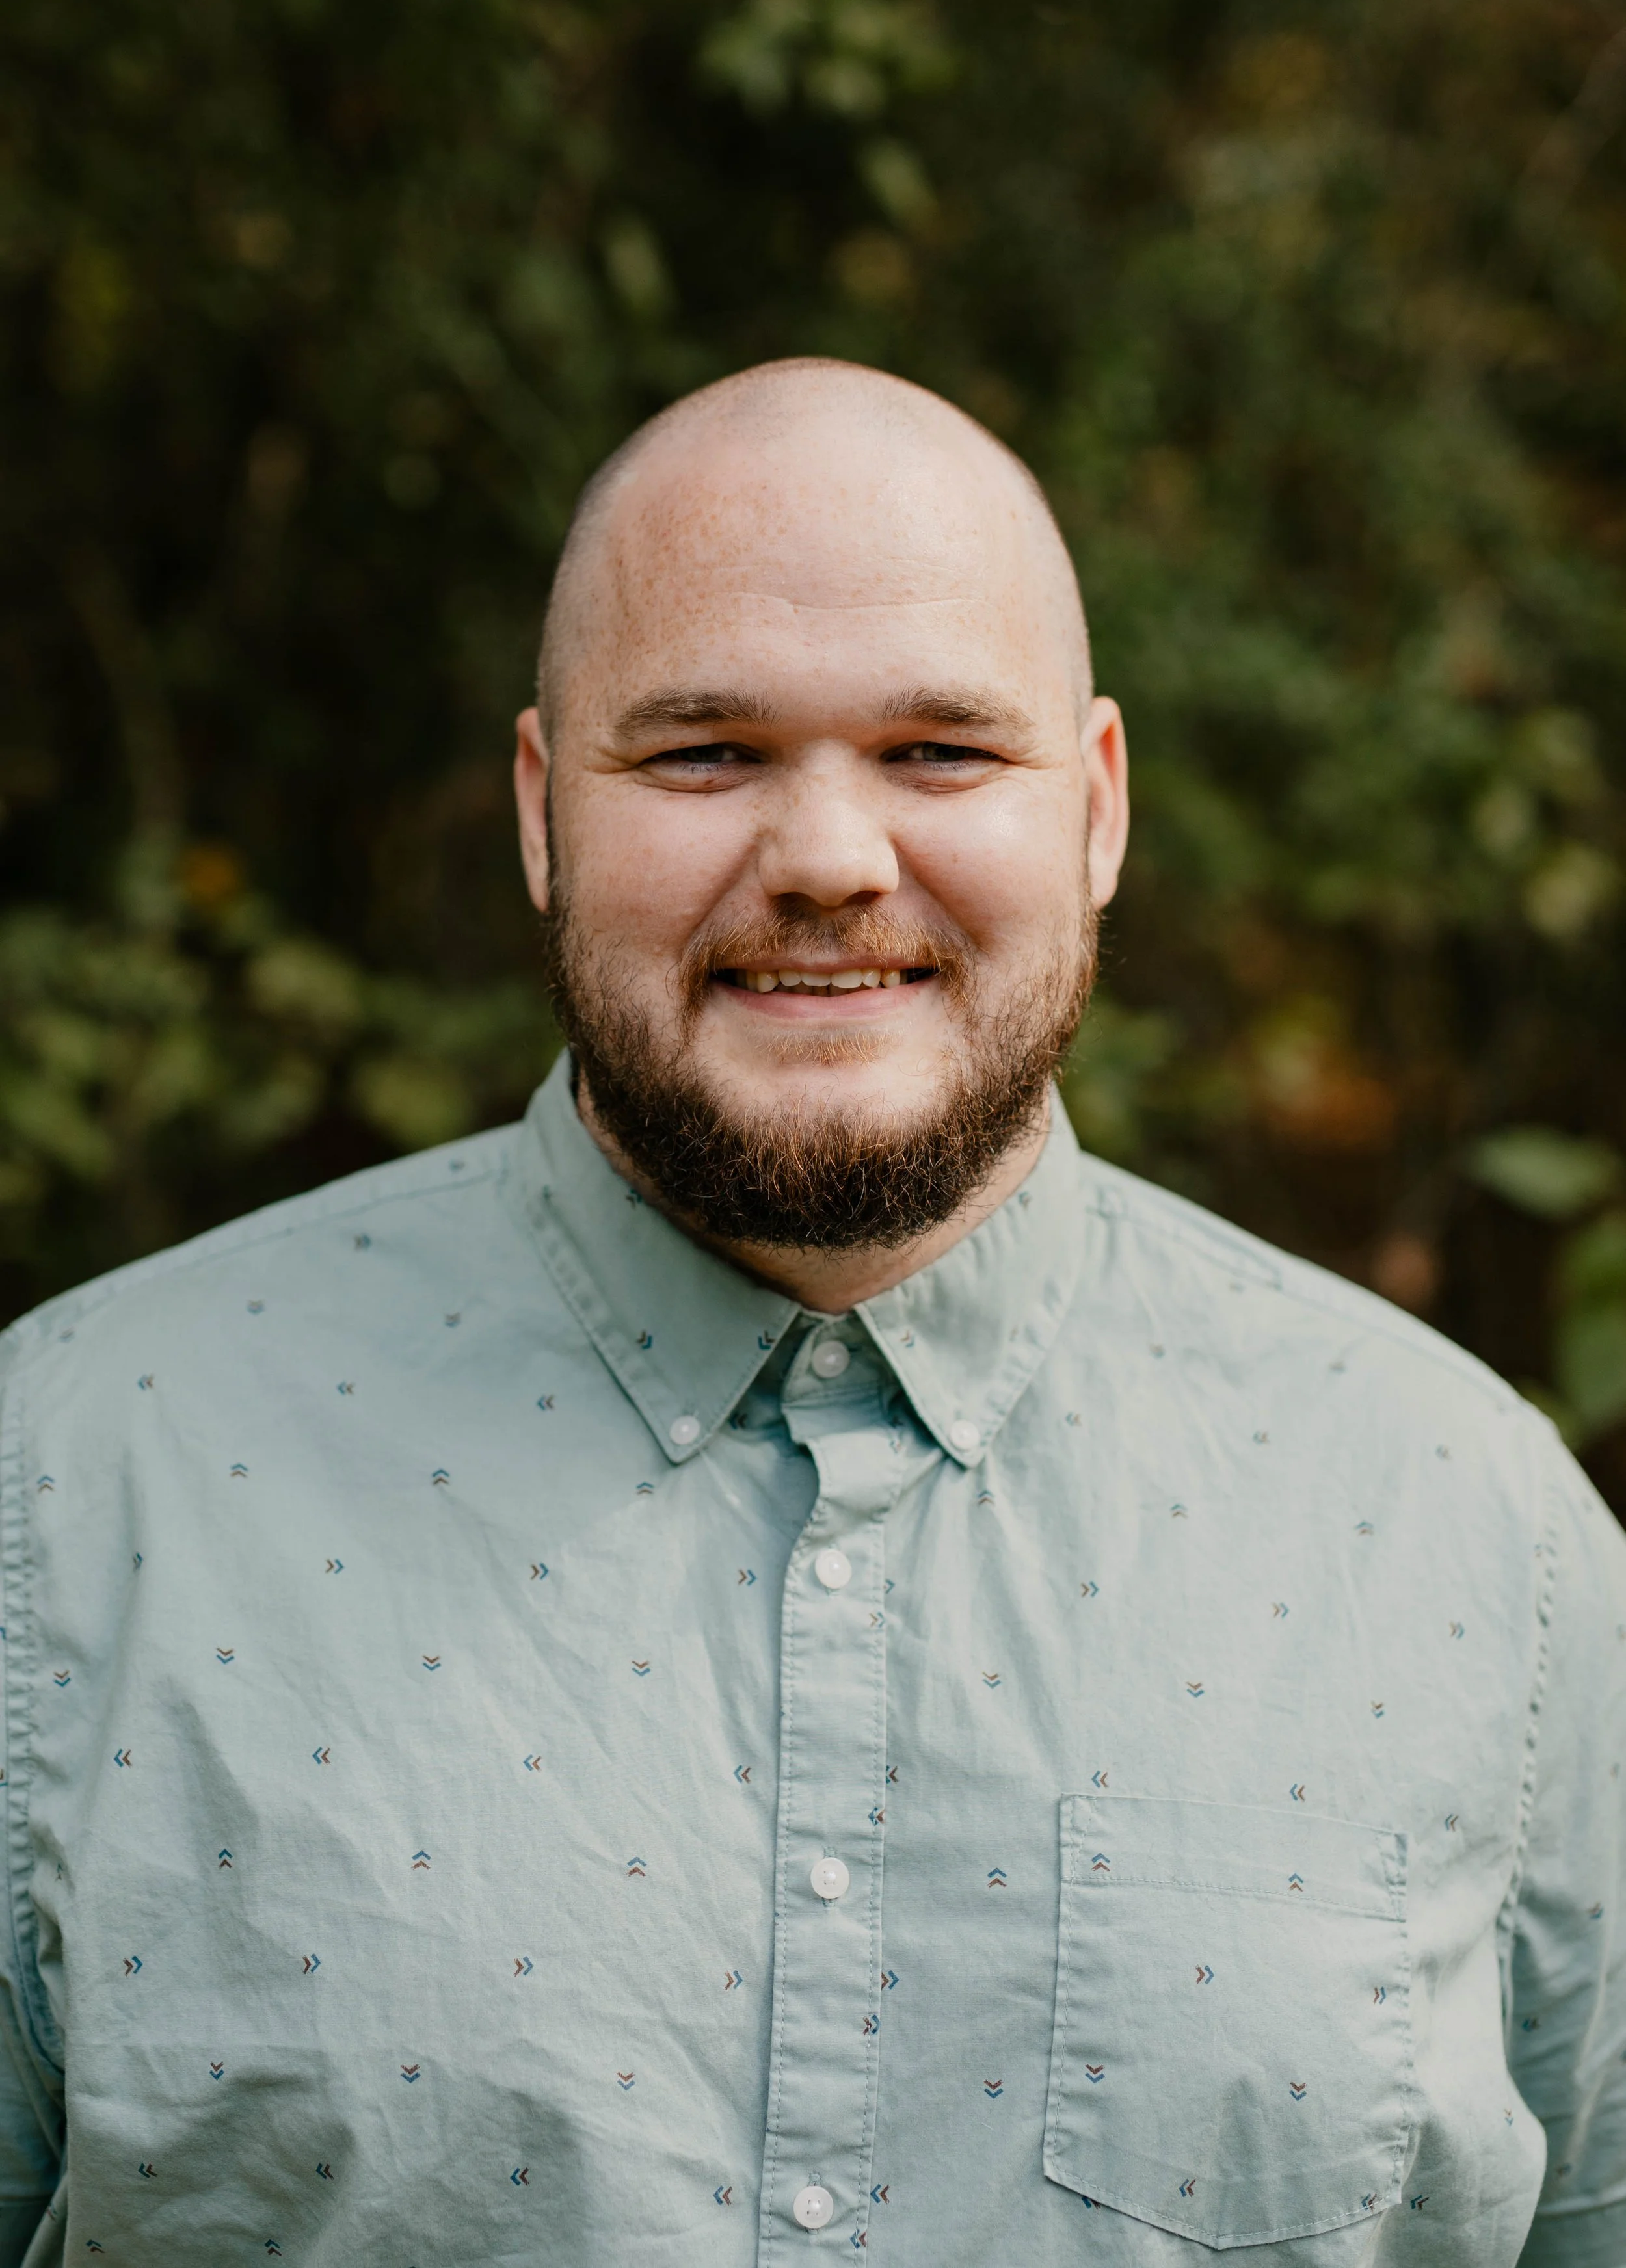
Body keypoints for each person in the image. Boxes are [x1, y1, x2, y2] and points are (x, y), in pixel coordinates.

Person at [0, 359, 1620, 2268]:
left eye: (941, 750)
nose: (833, 858)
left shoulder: (1473, 1540)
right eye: (702, 755)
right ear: (541, 813)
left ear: (1093, 810)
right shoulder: (67, 1488)